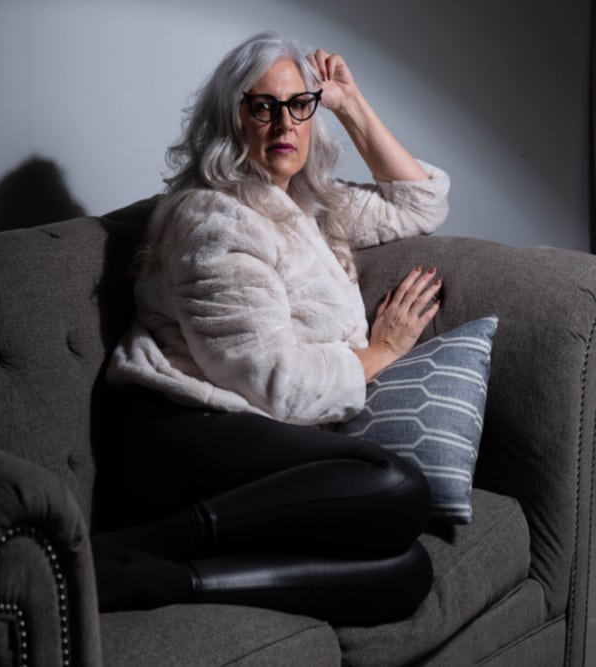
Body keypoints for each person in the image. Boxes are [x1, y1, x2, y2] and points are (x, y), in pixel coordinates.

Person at [92, 31, 450, 627]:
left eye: (297, 105)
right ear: (230, 120)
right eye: (262, 106)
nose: (284, 123)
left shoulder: (310, 205)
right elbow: (276, 382)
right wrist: (381, 349)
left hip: (251, 438)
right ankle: (141, 540)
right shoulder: (213, 218)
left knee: (409, 571)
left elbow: (420, 203)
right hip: (182, 435)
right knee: (394, 485)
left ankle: (173, 578)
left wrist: (351, 104)